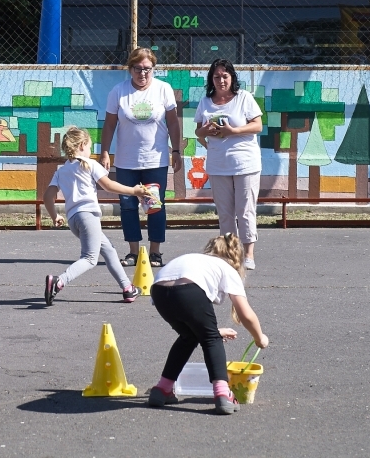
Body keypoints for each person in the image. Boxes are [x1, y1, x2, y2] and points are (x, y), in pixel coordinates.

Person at [147, 233, 269, 414]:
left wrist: (212, 330)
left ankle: (163, 388)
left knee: (188, 337)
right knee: (211, 340)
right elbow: (245, 313)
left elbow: (191, 319)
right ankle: (222, 393)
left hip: (158, 291)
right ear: (236, 258)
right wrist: (260, 338)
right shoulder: (226, 267)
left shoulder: (196, 259)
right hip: (188, 290)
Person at [43, 127, 151, 306]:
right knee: (90, 258)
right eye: (90, 147)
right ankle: (59, 281)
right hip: (88, 217)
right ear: (83, 145)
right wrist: (133, 191)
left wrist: (55, 216)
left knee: (108, 250)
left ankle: (127, 288)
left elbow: (47, 196)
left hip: (74, 220)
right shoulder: (89, 164)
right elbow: (108, 185)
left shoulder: (61, 171)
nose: (90, 151)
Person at [99, 47, 182, 268]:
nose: (143, 73)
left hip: (156, 159)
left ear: (153, 69)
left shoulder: (163, 89)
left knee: (154, 205)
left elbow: (173, 122)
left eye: (147, 69)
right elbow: (109, 124)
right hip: (127, 161)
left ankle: (155, 252)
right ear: (130, 69)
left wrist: (176, 151)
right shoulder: (118, 91)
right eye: (138, 69)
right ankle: (133, 252)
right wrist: (105, 151)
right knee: (127, 205)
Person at [194, 58, 263, 270]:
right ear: (211, 80)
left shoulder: (244, 98)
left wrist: (233, 131)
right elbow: (198, 131)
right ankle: (231, 254)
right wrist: (205, 131)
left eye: (225, 76)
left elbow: (258, 125)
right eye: (216, 77)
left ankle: (249, 254)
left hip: (245, 163)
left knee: (245, 210)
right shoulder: (205, 102)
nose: (221, 80)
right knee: (225, 212)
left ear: (232, 77)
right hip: (218, 164)